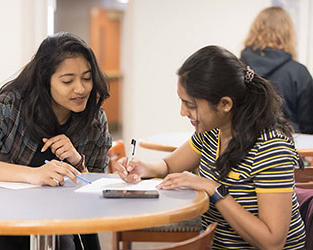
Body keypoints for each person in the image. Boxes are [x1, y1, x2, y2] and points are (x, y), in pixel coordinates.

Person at [114, 45, 306, 249]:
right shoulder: (212, 132)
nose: (182, 112)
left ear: (225, 104)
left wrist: (214, 189)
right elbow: (170, 165)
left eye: (190, 105)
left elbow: (272, 242)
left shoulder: (270, 147)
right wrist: (143, 167)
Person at [0, 32, 112, 250]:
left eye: (86, 78)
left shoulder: (94, 119)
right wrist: (33, 174)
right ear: (44, 80)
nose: (81, 89)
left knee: (61, 243)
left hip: (59, 220)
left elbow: (96, 187)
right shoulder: (12, 106)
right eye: (68, 81)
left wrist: (78, 162)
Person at [240, 6, 313, 134]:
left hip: (243, 147)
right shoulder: (299, 73)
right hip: (288, 147)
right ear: (288, 34)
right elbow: (309, 127)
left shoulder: (237, 68)